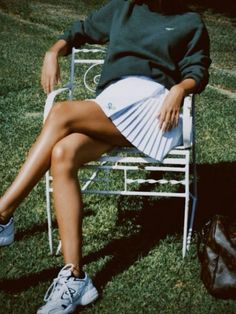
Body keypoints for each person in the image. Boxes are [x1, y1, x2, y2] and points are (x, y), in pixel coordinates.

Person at [0, 0, 211, 313]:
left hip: (153, 110)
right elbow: (81, 30)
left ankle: (3, 213)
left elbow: (198, 70)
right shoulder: (123, 8)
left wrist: (179, 89)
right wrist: (53, 50)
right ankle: (75, 277)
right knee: (63, 153)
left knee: (61, 113)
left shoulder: (189, 22)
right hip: (112, 106)